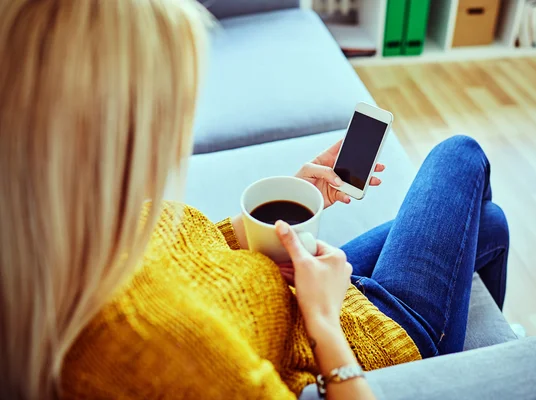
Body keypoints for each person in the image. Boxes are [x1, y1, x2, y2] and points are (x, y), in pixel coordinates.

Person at [0, 0, 509, 399]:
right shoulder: (159, 348)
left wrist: (291, 205)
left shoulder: (62, 221)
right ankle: (455, 353)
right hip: (363, 340)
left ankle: (478, 345)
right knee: (459, 155)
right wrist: (324, 318)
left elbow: (189, 259)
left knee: (489, 224)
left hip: (298, 292)